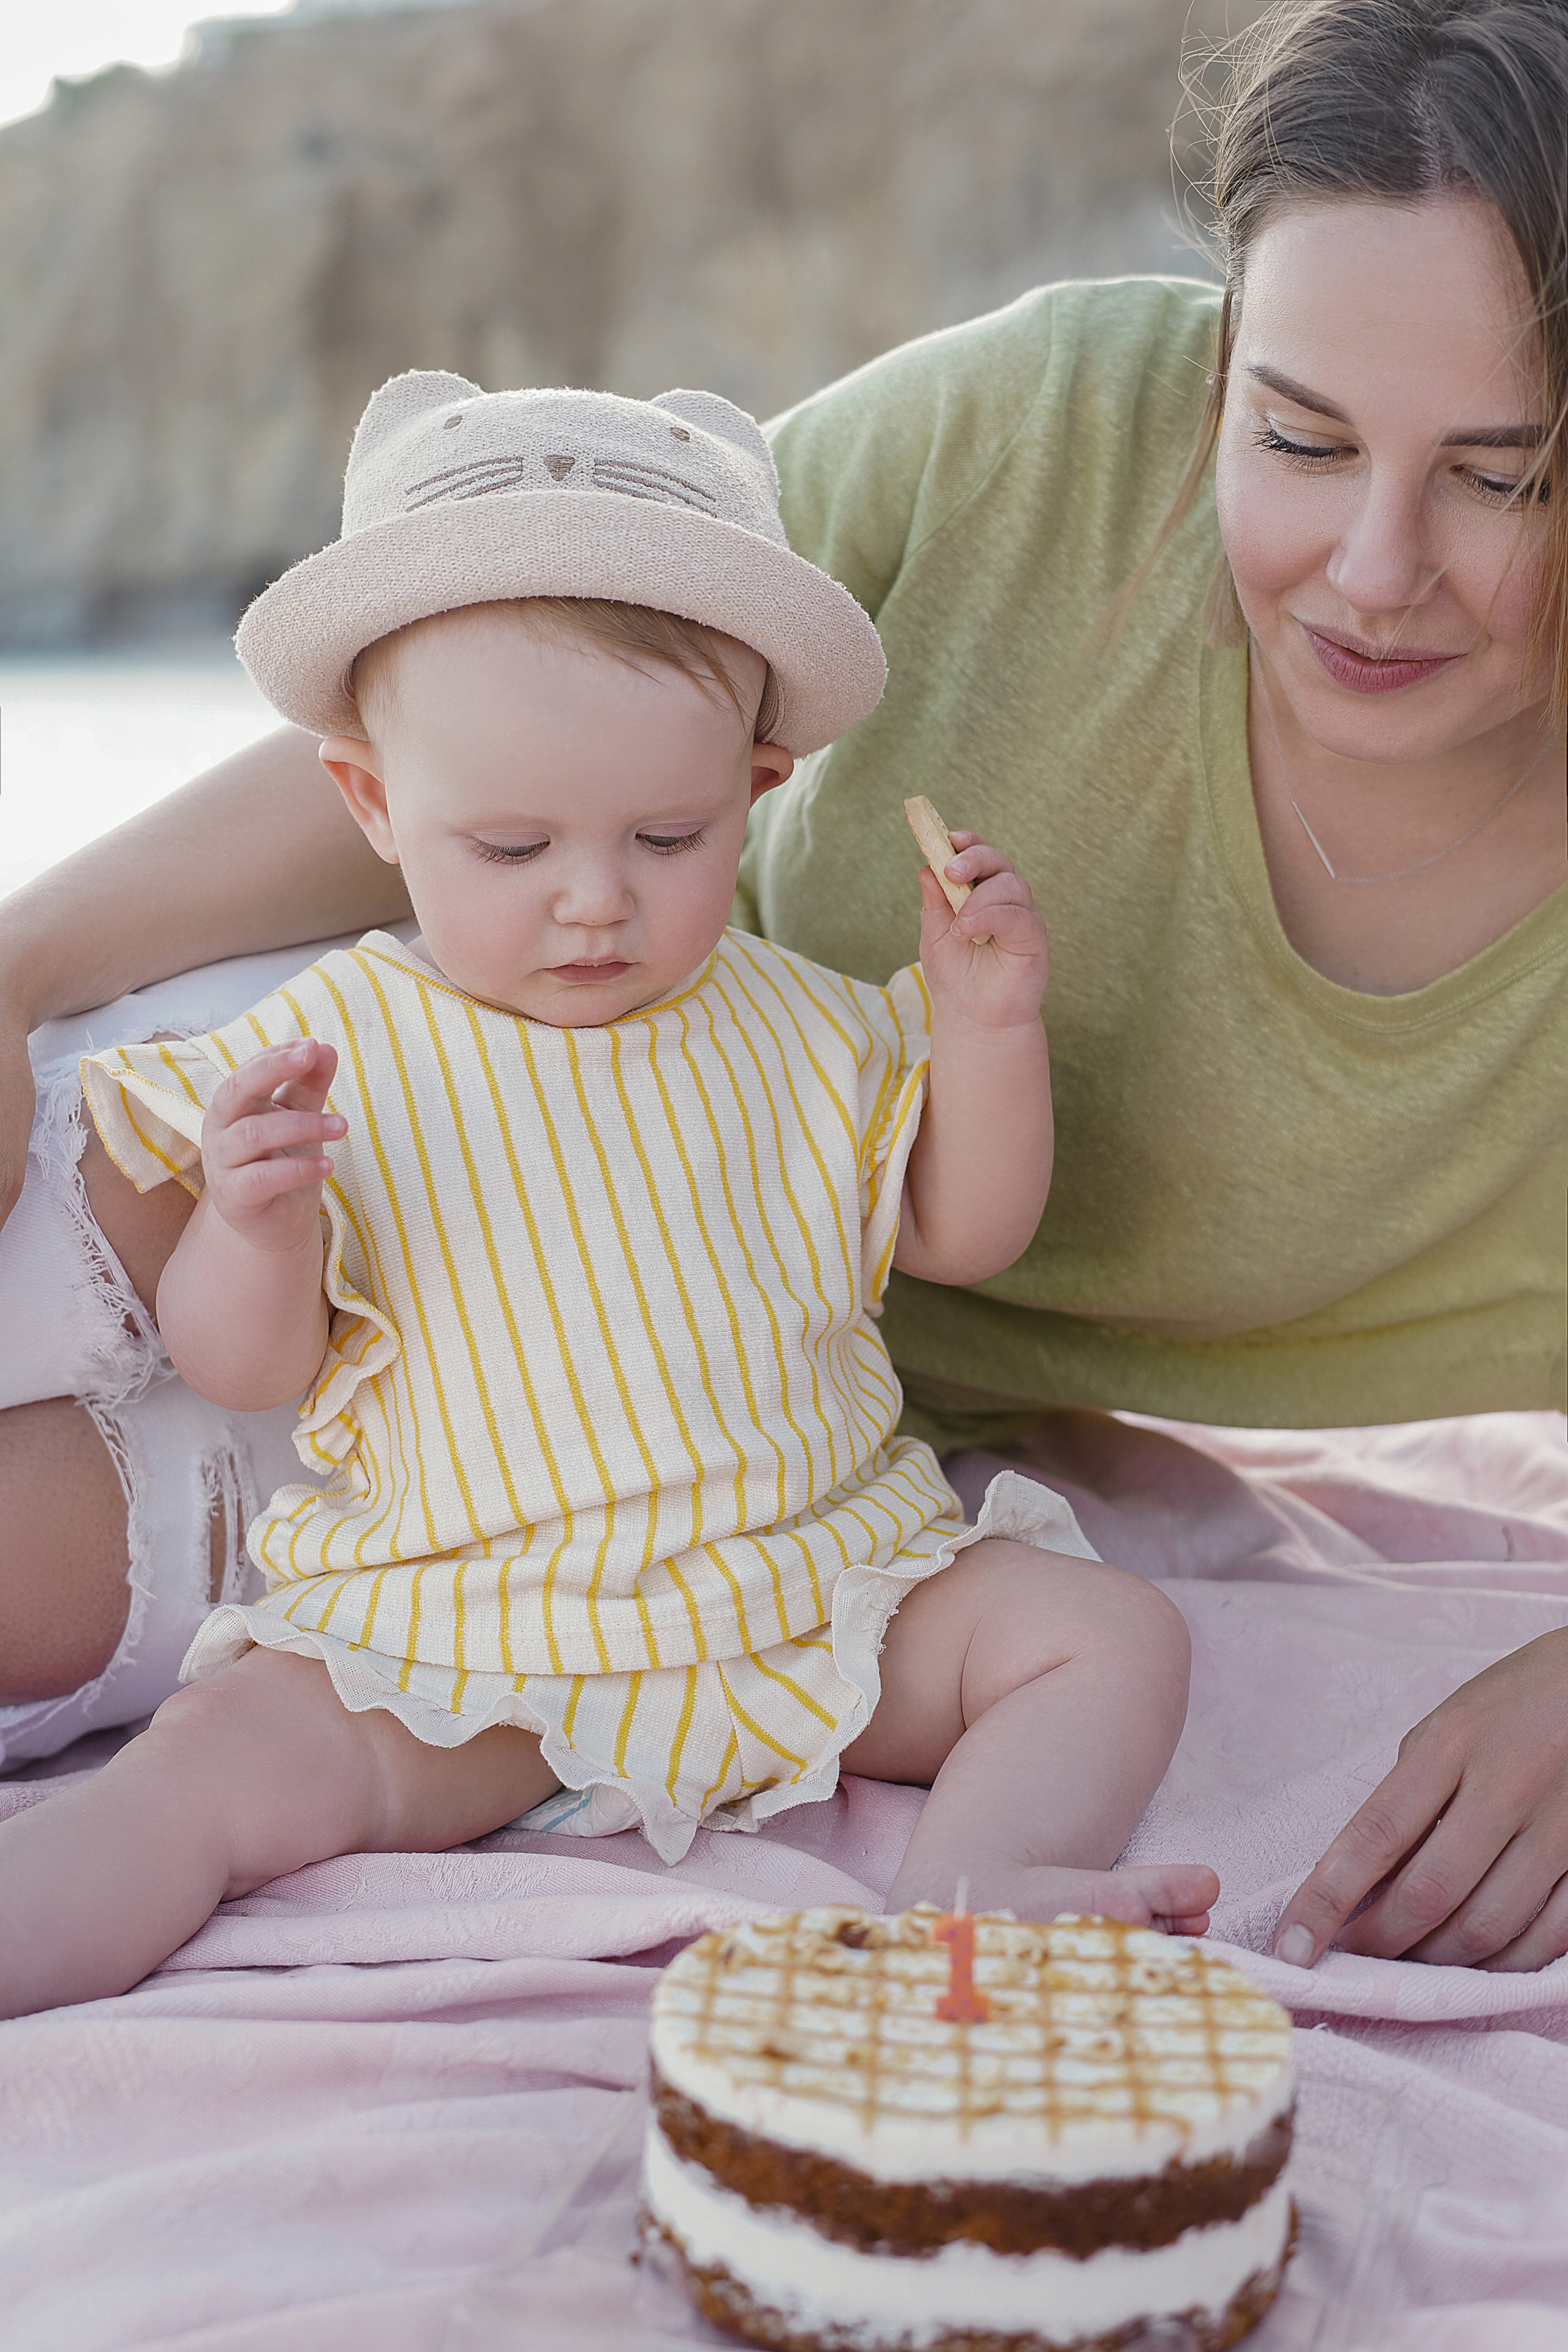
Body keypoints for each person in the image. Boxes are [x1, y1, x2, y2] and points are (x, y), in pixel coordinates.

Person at [0, 0, 1562, 1966]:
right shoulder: (1057, 433)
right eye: (1297, 434)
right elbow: (520, 665)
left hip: (765, 1433)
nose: (1372, 564)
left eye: (1503, 477)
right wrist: (22, 960)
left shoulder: (833, 1064)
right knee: (97, 1183)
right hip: (407, 1134)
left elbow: (955, 1219)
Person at [0, 372, 1215, 2017]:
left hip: (807, 1592)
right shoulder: (336, 1040)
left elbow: (958, 1231)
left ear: (762, 790)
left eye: (667, 836)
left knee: (1106, 1637)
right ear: (369, 804)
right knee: (199, 1776)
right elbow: (241, 1371)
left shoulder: (802, 1023)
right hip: (462, 1641)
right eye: (510, 849)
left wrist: (989, 1028)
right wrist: (252, 1222)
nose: (594, 906)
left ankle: (973, 1903)